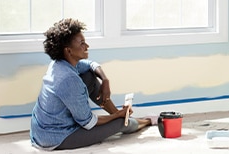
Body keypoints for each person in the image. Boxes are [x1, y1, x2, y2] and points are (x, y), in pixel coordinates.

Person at [30, 18, 156, 150]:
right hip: (57, 136)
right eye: (82, 43)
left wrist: (105, 80)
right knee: (119, 123)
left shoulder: (60, 64)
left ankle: (123, 115)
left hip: (41, 128)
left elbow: (91, 64)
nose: (87, 46)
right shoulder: (69, 80)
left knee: (89, 75)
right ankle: (146, 121)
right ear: (68, 51)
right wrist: (115, 117)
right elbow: (89, 122)